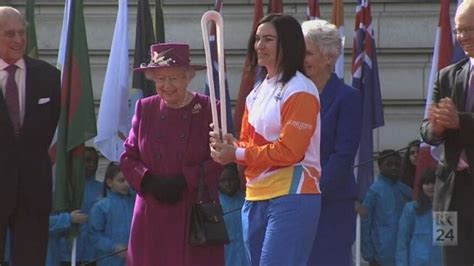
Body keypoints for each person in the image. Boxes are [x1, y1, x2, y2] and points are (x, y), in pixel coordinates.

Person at [210, 14, 321, 266]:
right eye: (258, 39)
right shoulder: (256, 92)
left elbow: (290, 151)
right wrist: (229, 144)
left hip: (293, 194)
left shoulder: (300, 89)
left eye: (268, 39)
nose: (259, 45)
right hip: (255, 195)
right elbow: (250, 146)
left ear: (289, 44)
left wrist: (235, 154)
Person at [120, 42, 224, 266]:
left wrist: (185, 180)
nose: (166, 85)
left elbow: (220, 158)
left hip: (193, 211)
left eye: (173, 78)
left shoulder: (209, 109)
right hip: (151, 210)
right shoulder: (144, 108)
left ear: (188, 77)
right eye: (160, 79)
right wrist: (147, 180)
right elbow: (128, 157)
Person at [0, 6, 61, 265]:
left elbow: (54, 128)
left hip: (33, 194)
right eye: (9, 34)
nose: (18, 40)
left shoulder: (49, 77)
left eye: (21, 33)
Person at [301, 19, 362, 266]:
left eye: (307, 53)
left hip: (331, 205)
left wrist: (311, 192)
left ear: (329, 57)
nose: (301, 59)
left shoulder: (347, 98)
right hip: (293, 203)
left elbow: (343, 154)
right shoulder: (292, 94)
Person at [420, 1, 474, 264]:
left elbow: (458, 122)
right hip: (448, 195)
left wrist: (459, 121)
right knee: (450, 259)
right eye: (459, 30)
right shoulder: (447, 75)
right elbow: (427, 130)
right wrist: (436, 127)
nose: (463, 37)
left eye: (470, 30)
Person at [361, 150, 412, 266]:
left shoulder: (405, 190)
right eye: (389, 164)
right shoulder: (373, 191)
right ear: (380, 166)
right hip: (381, 254)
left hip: (405, 251)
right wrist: (369, 254)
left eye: (397, 165)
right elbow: (365, 224)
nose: (394, 168)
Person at [60, 146, 103, 265]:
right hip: (67, 252)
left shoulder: (103, 189)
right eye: (88, 160)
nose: (92, 165)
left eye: (95, 161)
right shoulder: (65, 188)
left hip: (92, 253)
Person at [89, 162, 135, 266]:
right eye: (121, 180)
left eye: (128, 179)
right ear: (109, 182)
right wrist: (113, 247)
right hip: (109, 260)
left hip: (132, 259)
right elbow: (94, 236)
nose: (126, 184)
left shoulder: (135, 204)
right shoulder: (101, 206)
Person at [396, 168, 442, 266]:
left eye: (434, 183)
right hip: (417, 262)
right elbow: (402, 242)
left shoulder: (446, 209)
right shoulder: (411, 209)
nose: (430, 187)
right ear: (421, 186)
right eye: (426, 183)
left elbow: (449, 244)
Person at [218, 163, 248, 266]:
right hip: (227, 257)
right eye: (223, 181)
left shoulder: (247, 199)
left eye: (231, 179)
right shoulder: (214, 203)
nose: (227, 184)